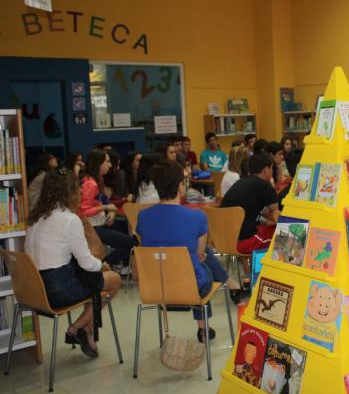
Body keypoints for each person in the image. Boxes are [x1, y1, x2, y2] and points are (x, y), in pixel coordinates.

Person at [136, 159, 240, 342]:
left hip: (155, 288)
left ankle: (208, 319)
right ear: (180, 187)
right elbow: (200, 253)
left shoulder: (142, 216)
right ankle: (203, 327)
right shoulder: (197, 216)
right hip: (191, 289)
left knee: (192, 262)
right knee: (200, 266)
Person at [25, 168, 121, 358]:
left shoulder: (35, 218)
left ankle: (88, 332)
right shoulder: (69, 219)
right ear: (70, 191)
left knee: (96, 284)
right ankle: (76, 328)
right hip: (59, 290)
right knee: (114, 280)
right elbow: (86, 262)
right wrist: (102, 266)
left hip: (36, 290)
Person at [79, 149, 136, 268]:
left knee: (129, 240)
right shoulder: (91, 183)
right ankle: (102, 265)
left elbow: (104, 202)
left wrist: (110, 210)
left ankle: (104, 265)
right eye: (107, 161)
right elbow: (83, 211)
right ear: (98, 163)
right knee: (132, 243)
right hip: (92, 228)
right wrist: (105, 207)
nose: (110, 165)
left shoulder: (96, 180)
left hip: (98, 224)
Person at [221, 153, 278, 254]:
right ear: (265, 170)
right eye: (272, 168)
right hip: (245, 241)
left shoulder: (240, 182)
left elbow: (262, 212)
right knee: (281, 238)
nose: (273, 171)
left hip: (223, 239)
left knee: (263, 227)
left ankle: (248, 268)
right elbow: (278, 215)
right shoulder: (264, 185)